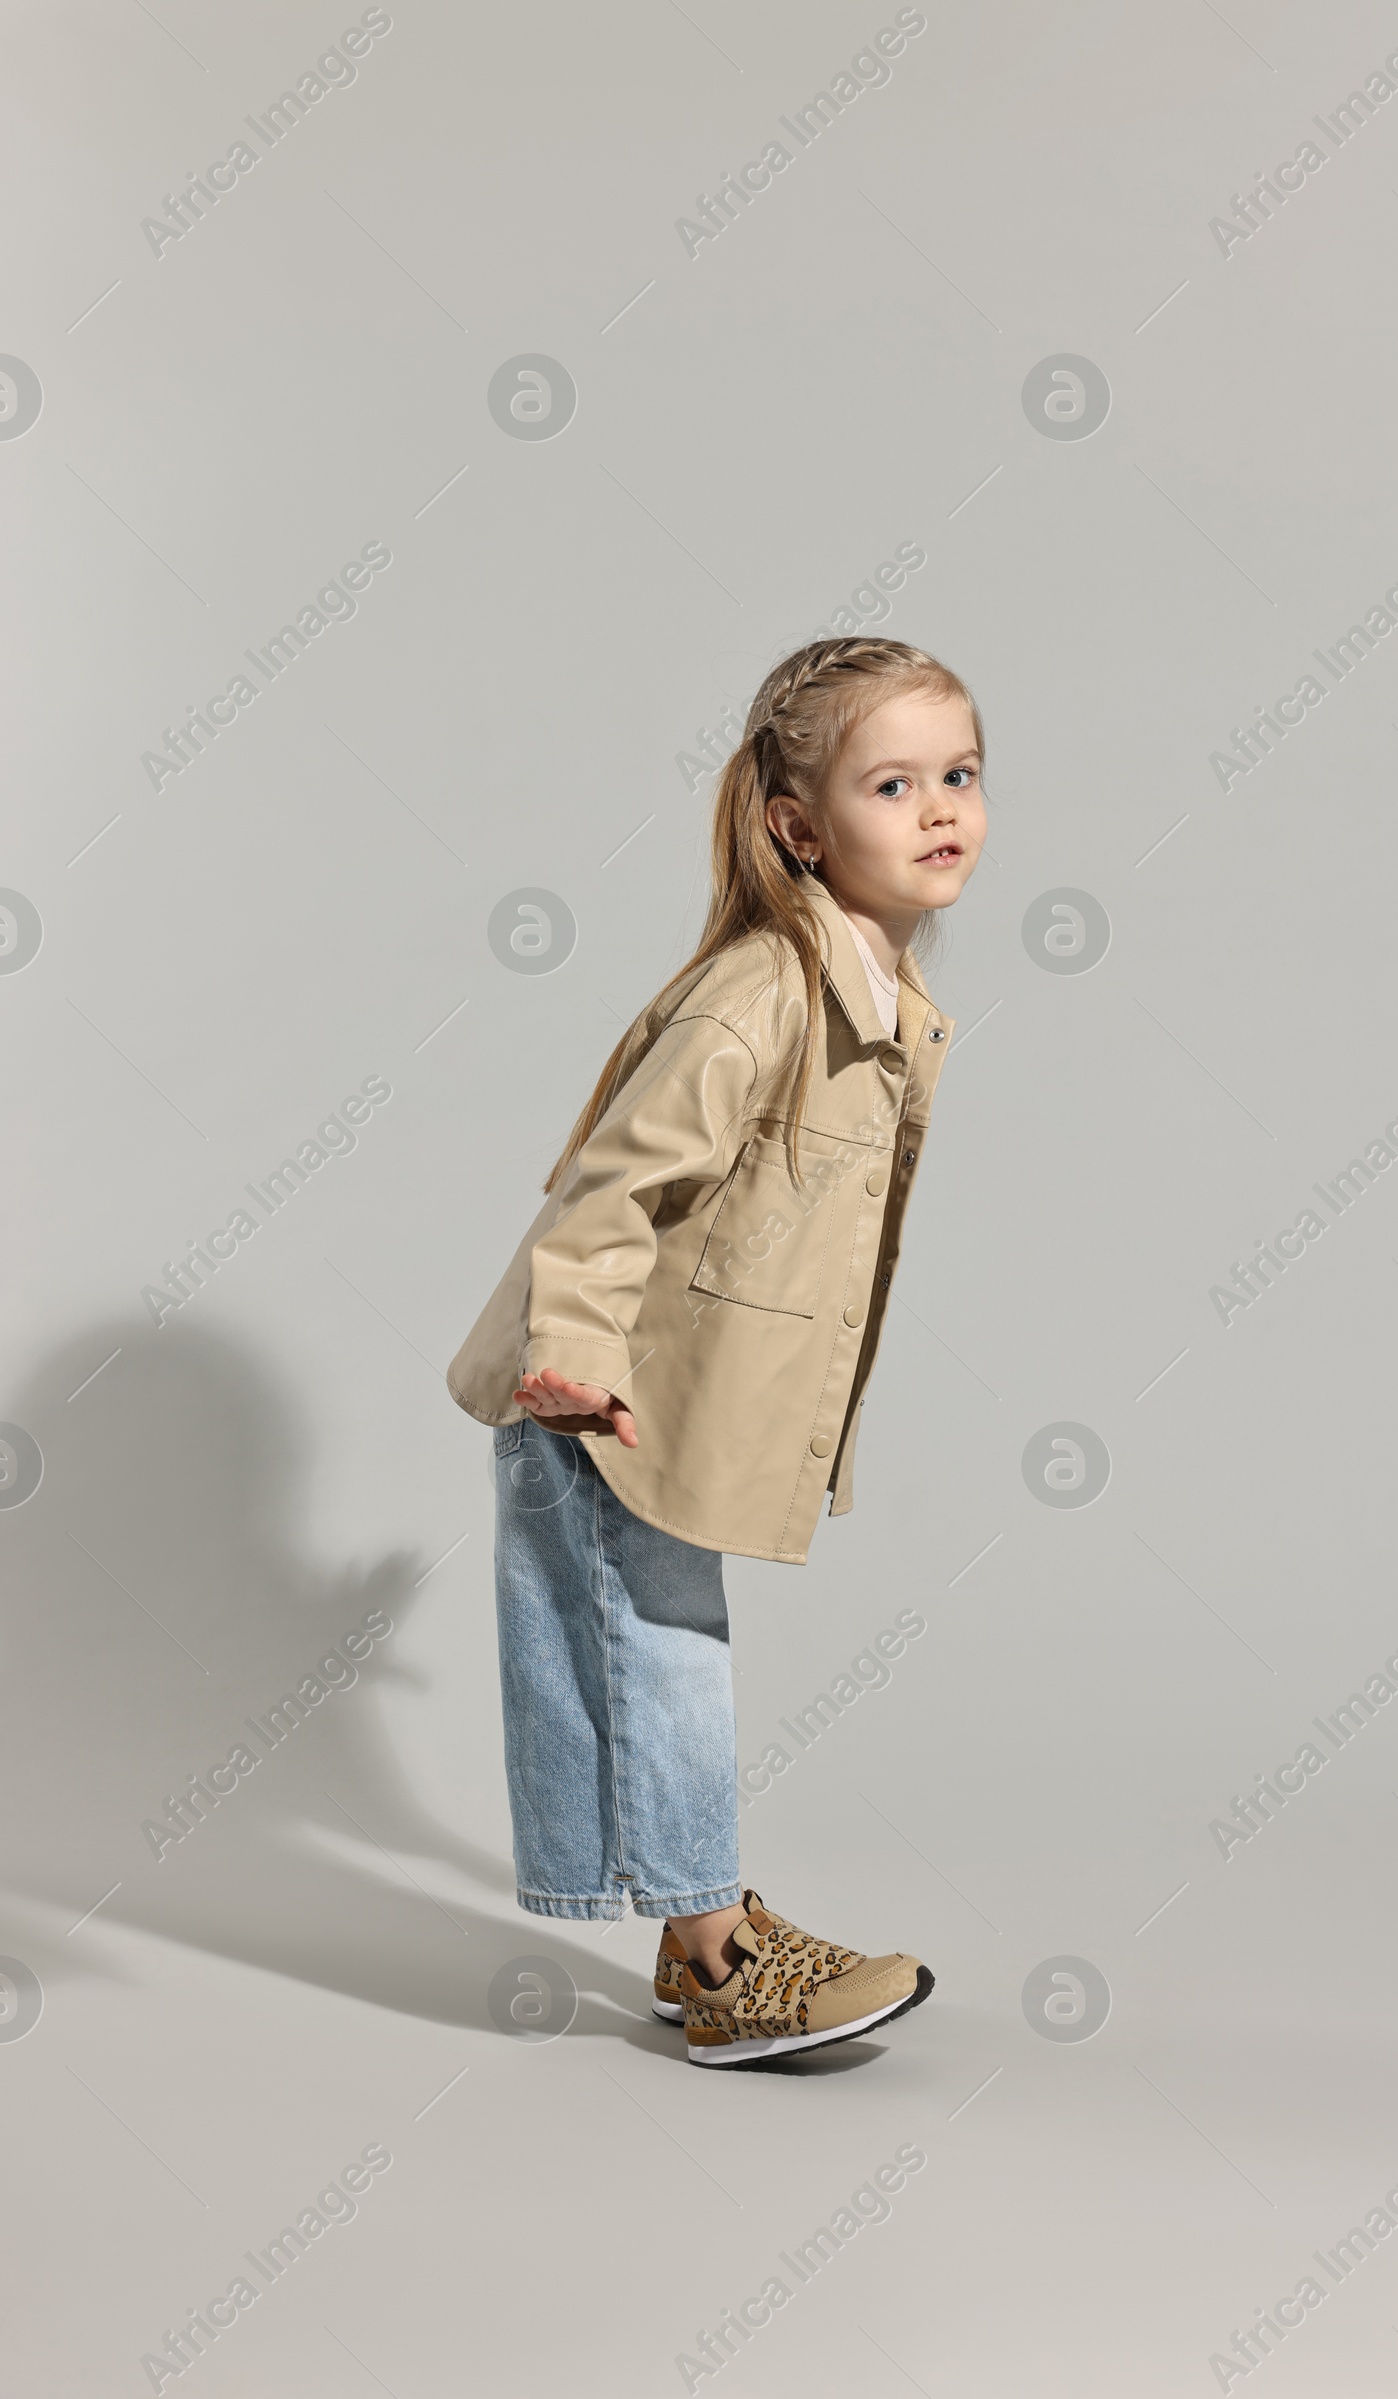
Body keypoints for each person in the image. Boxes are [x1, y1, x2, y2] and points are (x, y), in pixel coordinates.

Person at [447, 635, 987, 2065]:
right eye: (894, 782)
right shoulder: (764, 991)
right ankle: (719, 1953)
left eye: (961, 775)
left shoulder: (882, 995)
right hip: (603, 1387)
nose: (941, 809)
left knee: (643, 1644)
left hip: (666, 1392)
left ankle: (696, 1948)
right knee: (660, 1649)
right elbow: (610, 1188)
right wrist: (570, 1353)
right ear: (797, 826)